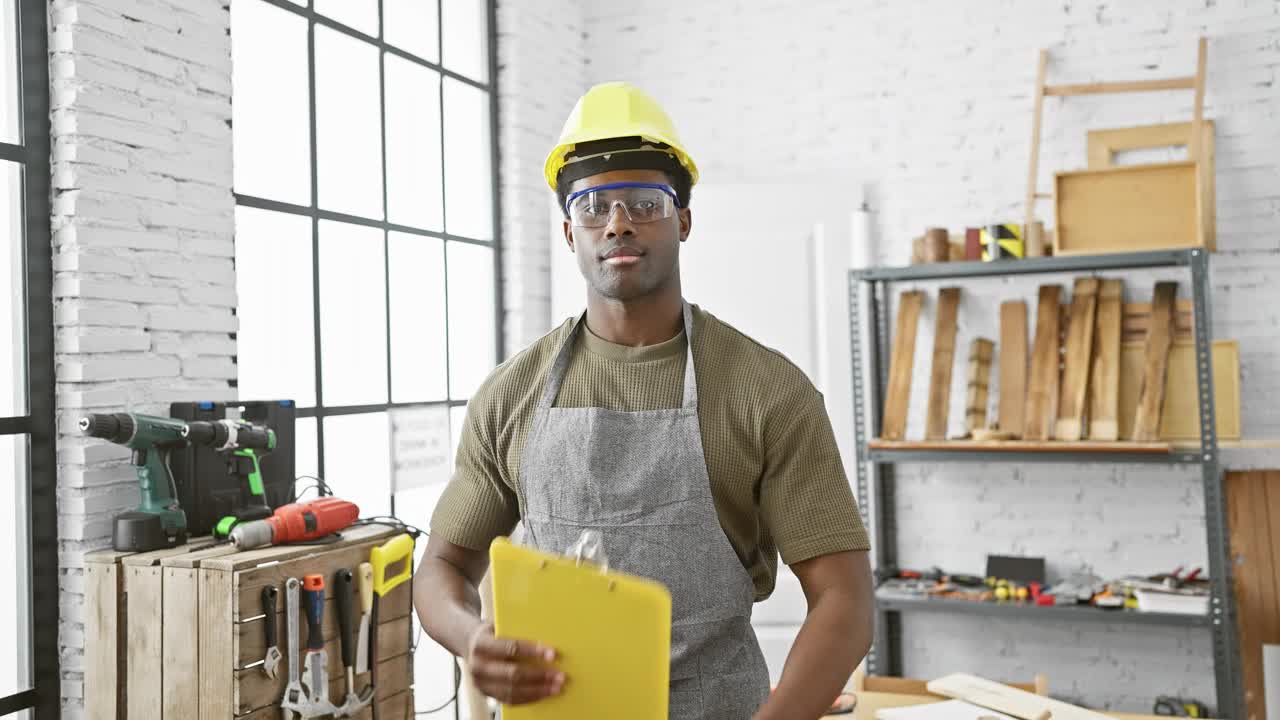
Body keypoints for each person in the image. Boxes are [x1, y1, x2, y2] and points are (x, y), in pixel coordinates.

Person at [414, 81, 874, 720]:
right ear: (570, 232)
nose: (619, 222)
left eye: (645, 202)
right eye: (593, 204)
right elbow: (441, 564)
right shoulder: (510, 395)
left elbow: (845, 604)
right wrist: (471, 639)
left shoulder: (768, 392)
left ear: (683, 221)